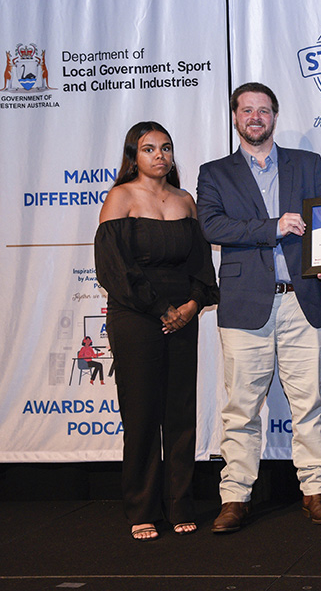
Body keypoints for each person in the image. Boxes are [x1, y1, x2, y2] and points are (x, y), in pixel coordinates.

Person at [197, 82, 321, 533]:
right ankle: (235, 497)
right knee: (240, 407)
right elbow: (212, 226)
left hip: (304, 302)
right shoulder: (214, 172)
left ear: (275, 117)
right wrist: (273, 226)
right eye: (247, 110)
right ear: (235, 117)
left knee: (310, 403)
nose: (256, 117)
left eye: (264, 110)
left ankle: (314, 490)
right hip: (245, 306)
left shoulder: (308, 164)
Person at [95, 121, 219, 541]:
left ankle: (181, 504)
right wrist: (161, 308)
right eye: (149, 149)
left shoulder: (185, 200)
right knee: (143, 411)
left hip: (182, 314)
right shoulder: (121, 197)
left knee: (180, 412)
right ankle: (142, 509)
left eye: (166, 148)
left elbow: (202, 265)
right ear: (134, 156)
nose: (160, 155)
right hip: (136, 315)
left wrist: (191, 305)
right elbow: (113, 267)